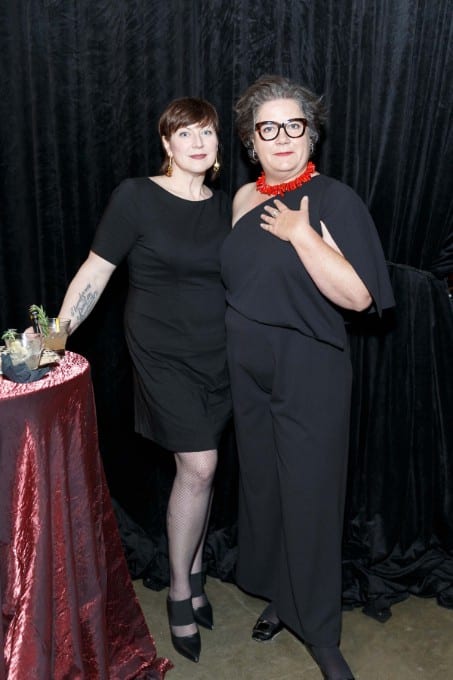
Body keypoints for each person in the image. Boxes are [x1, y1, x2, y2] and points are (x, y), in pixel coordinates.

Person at [221, 75, 395, 680]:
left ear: (309, 133)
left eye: (293, 125)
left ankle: (320, 631)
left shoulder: (335, 200)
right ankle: (281, 596)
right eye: (267, 128)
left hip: (309, 367)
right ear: (251, 142)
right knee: (265, 489)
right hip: (247, 368)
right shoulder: (243, 198)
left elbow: (359, 295)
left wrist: (300, 235)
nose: (281, 137)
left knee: (312, 497)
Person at [58, 97, 232, 664]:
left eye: (206, 133)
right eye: (185, 133)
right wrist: (57, 334)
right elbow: (96, 270)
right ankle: (180, 592)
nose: (197, 143)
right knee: (199, 465)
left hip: (220, 354)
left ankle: (196, 571)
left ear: (218, 144)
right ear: (166, 144)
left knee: (203, 470)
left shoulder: (227, 206)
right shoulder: (136, 196)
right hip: (162, 353)